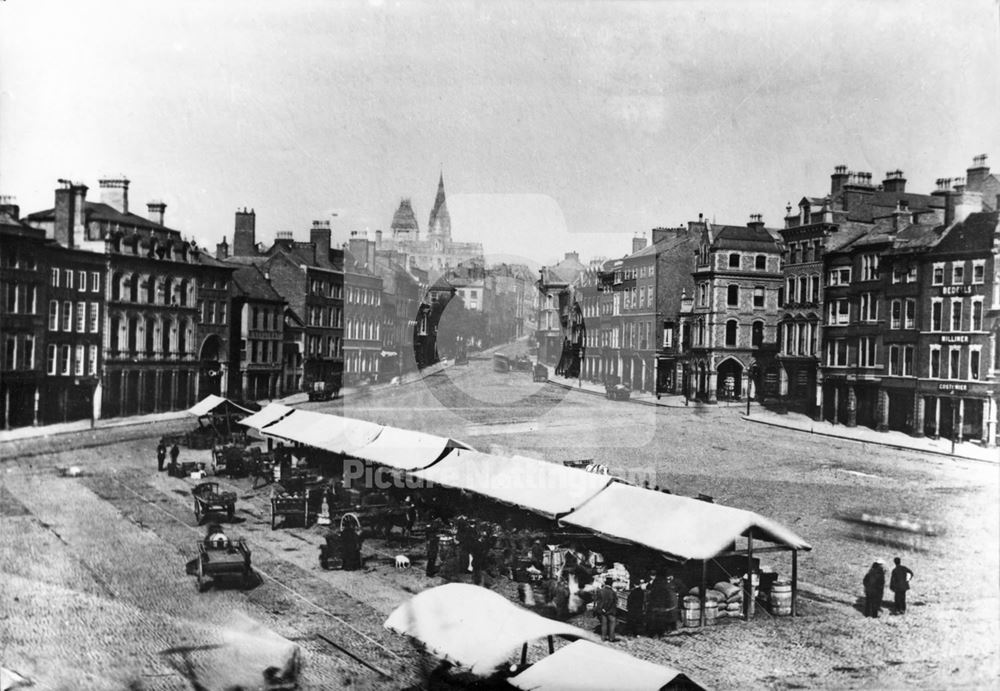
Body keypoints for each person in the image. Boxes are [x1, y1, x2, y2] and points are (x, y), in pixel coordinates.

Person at [594, 577, 618, 642]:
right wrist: (606, 609)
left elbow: (597, 601)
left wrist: (601, 609)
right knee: (612, 622)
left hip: (601, 610)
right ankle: (611, 638)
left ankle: (603, 638)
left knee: (604, 624)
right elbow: (612, 601)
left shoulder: (600, 590)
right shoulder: (612, 592)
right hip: (609, 611)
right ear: (611, 584)